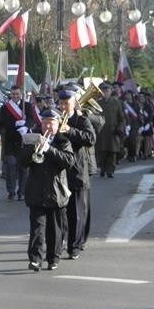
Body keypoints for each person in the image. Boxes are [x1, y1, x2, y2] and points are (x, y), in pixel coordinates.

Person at [18, 109, 74, 271]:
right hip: (36, 190)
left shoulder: (63, 140)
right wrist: (32, 148)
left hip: (56, 191)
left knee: (55, 230)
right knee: (37, 228)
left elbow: (69, 162)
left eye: (51, 122)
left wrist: (49, 149)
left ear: (57, 124)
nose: (47, 126)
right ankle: (35, 259)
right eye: (45, 122)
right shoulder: (32, 137)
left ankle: (53, 258)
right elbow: (22, 161)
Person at [57, 89, 96, 260]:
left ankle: (75, 246)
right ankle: (60, 242)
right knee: (60, 212)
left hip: (78, 171)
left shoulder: (82, 120)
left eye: (66, 103)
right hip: (59, 171)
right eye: (61, 103)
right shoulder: (55, 119)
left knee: (77, 212)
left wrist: (69, 130)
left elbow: (90, 138)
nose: (63, 106)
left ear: (74, 103)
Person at [0, 85, 33, 200]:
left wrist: (26, 126)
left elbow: (32, 120)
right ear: (10, 95)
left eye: (17, 94)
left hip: (24, 141)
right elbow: (0, 124)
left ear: (21, 94)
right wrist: (14, 124)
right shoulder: (4, 108)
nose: (15, 96)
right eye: (13, 94)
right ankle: (11, 190)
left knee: (23, 168)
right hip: (10, 142)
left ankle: (21, 192)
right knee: (11, 165)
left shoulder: (27, 106)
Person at [95, 83, 125, 178]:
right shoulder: (98, 103)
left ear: (111, 92)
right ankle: (103, 169)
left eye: (107, 91)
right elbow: (94, 117)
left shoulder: (116, 103)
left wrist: (120, 128)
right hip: (102, 132)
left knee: (112, 153)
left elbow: (121, 118)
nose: (105, 93)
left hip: (113, 132)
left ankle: (110, 170)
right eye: (103, 91)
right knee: (102, 153)